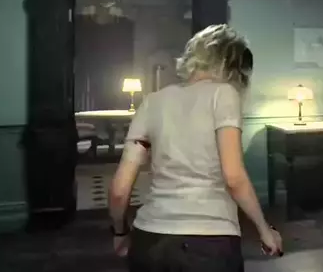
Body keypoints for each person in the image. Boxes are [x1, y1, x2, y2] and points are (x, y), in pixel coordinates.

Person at [108, 24, 283, 271]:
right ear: (233, 66)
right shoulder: (224, 94)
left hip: (149, 240)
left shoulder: (152, 102)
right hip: (209, 244)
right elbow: (233, 177)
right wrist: (264, 230)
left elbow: (119, 190)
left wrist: (120, 232)